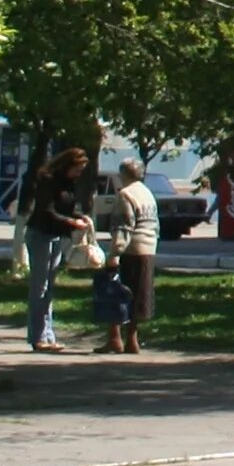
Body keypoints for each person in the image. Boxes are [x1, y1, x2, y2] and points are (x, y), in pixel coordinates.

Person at [21, 147, 92, 351]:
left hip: (57, 235)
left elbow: (69, 207)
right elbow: (47, 210)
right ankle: (37, 337)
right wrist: (72, 222)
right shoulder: (48, 179)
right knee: (40, 287)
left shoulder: (69, 183)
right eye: (77, 169)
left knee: (49, 287)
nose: (79, 173)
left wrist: (79, 217)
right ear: (67, 165)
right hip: (40, 234)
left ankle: (48, 335)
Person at [109, 160, 158, 354]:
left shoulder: (125, 194)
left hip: (131, 249)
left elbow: (124, 226)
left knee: (118, 293)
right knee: (139, 296)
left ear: (123, 174)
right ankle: (132, 339)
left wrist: (115, 253)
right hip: (149, 247)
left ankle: (114, 339)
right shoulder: (147, 193)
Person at [89, 253, 133, 351]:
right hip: (142, 248)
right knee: (128, 293)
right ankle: (129, 339)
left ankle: (115, 338)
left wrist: (114, 252)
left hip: (118, 253)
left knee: (113, 292)